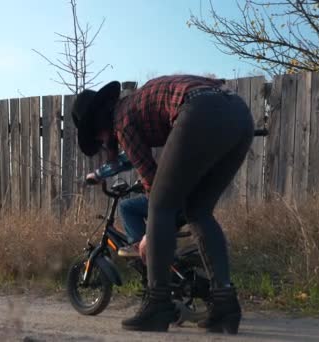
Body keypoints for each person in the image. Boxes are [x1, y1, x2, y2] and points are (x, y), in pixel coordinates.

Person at [71, 75, 254, 333]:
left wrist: (149, 235)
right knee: (198, 211)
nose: (102, 142)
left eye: (97, 137)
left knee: (159, 205)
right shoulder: (135, 107)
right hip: (240, 114)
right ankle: (225, 306)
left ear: (99, 123)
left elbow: (151, 181)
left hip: (200, 110)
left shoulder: (121, 121)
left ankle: (158, 305)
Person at [86, 151, 147, 258]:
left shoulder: (142, 137)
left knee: (126, 207)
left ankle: (140, 247)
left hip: (168, 197)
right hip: (180, 195)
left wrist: (98, 174)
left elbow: (125, 159)